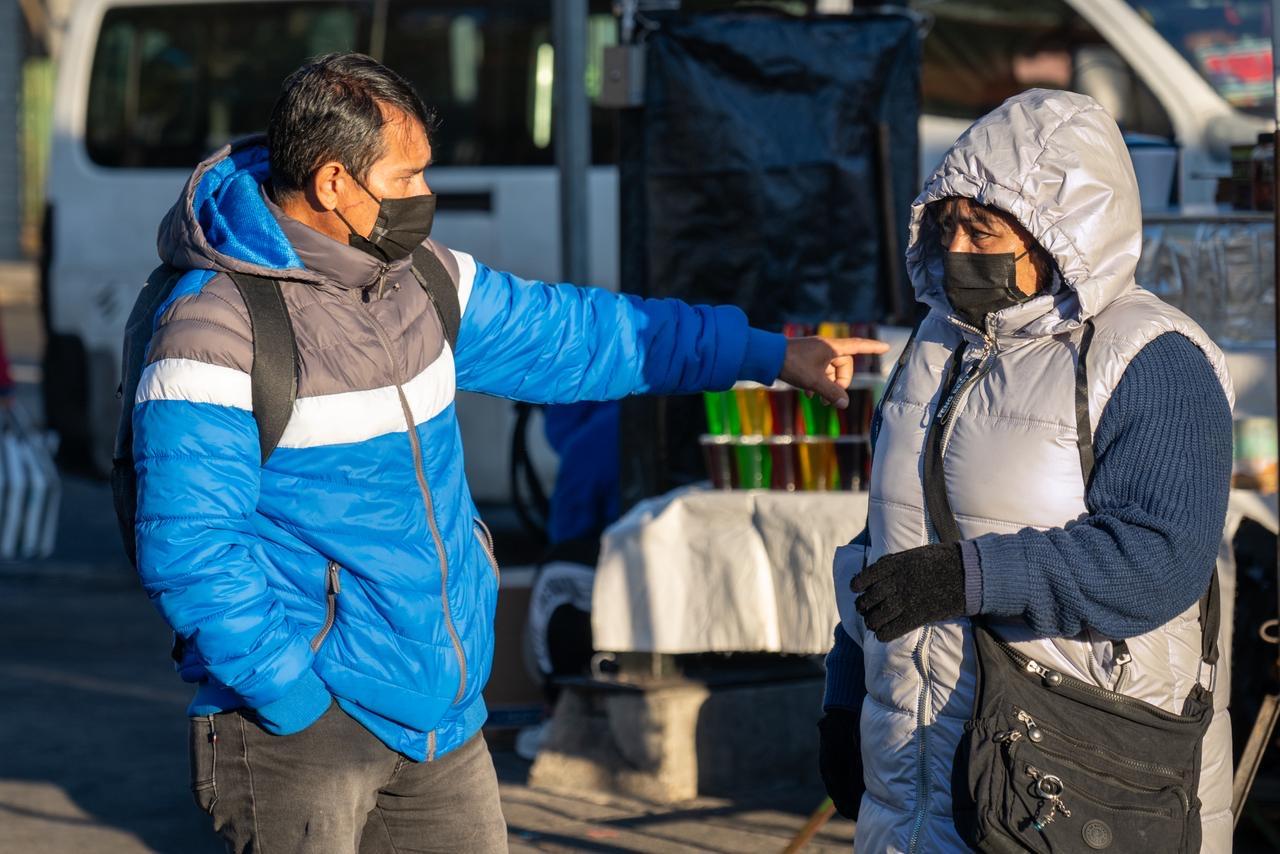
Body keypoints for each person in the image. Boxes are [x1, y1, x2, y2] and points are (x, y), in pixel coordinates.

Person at [130, 52, 886, 854]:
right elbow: (190, 548)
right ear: (331, 185)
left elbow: (584, 336)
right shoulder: (213, 329)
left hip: (440, 720)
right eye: (407, 177)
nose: (426, 197)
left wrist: (767, 355)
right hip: (303, 732)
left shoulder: (421, 280)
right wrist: (294, 697)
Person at [817, 89, 1235, 852]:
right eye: (948, 228)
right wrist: (846, 694)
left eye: (984, 229)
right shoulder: (936, 346)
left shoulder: (1148, 358)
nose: (959, 251)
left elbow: (1160, 558)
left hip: (1073, 783)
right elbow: (892, 532)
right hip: (914, 784)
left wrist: (968, 578)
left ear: (1061, 229)